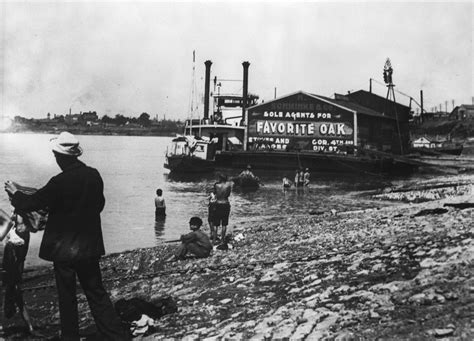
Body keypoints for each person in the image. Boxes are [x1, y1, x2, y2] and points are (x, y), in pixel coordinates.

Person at [4, 132, 130, 341]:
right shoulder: (94, 175)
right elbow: (99, 205)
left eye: (56, 155)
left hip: (64, 251)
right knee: (96, 292)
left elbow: (32, 202)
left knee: (67, 297)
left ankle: (70, 337)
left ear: (60, 156)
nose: (55, 159)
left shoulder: (59, 182)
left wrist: (15, 193)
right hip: (89, 247)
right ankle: (115, 335)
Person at [0, 210, 35, 334]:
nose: (13, 214)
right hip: (13, 267)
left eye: (16, 212)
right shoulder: (20, 230)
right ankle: (30, 327)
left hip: (12, 267)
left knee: (16, 296)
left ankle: (30, 327)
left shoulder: (22, 231)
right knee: (17, 296)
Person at [213, 173, 233, 241]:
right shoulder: (228, 186)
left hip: (218, 203)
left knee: (216, 224)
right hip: (225, 203)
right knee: (224, 224)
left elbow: (214, 193)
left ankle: (214, 239)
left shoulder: (216, 185)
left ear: (220, 178)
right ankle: (222, 239)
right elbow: (228, 195)